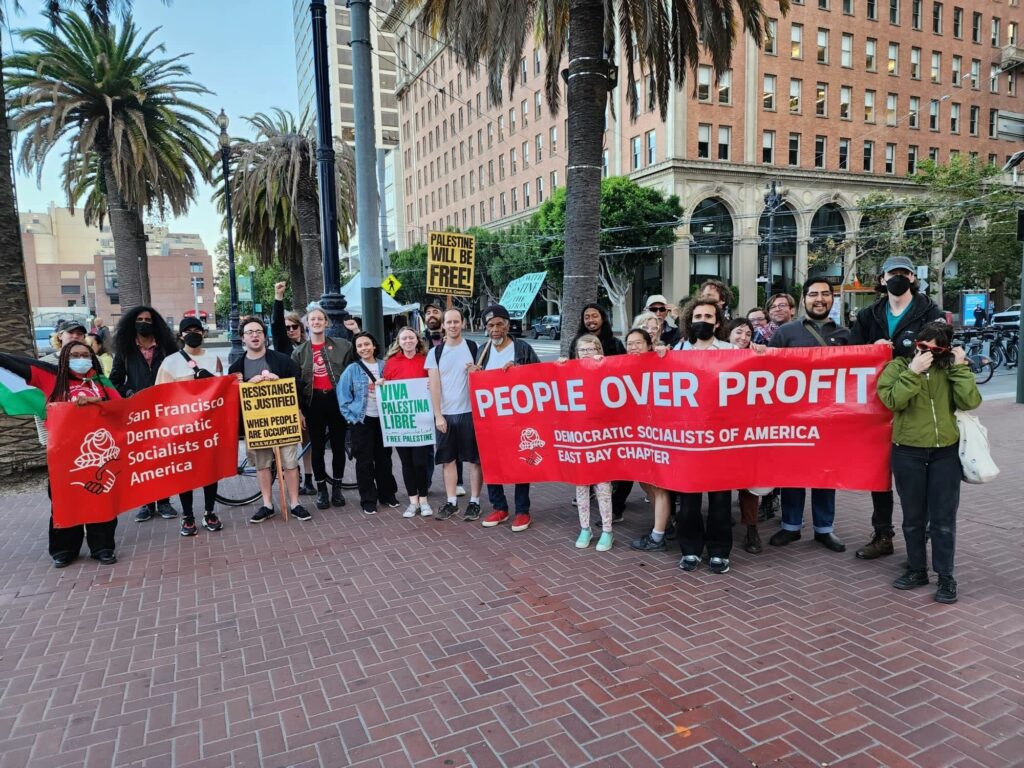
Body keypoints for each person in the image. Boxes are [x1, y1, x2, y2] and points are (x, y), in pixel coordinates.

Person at [878, 322, 981, 604]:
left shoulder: (948, 368)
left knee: (943, 519)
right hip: (908, 452)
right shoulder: (898, 367)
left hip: (945, 453)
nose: (929, 353)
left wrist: (960, 368)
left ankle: (946, 576)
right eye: (923, 347)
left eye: (937, 349)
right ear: (915, 343)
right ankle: (916, 570)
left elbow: (970, 401)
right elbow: (891, 401)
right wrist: (913, 372)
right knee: (913, 518)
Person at [850, 255, 945, 561]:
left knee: (914, 472)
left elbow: (941, 349)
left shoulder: (929, 311)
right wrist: (871, 349)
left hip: (917, 401)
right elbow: (852, 354)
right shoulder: (869, 315)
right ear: (882, 279)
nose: (898, 278)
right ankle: (882, 534)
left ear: (913, 278)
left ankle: (922, 530)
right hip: (878, 402)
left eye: (904, 273)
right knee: (880, 471)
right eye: (893, 273)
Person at [0, 342, 121, 567]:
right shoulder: (49, 378)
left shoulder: (101, 383)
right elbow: (14, 365)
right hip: (63, 455)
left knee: (100, 498)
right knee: (64, 501)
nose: (81, 359)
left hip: (98, 455)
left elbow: (121, 408)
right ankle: (64, 549)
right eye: (74, 355)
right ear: (64, 358)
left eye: (85, 355)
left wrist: (98, 401)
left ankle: (103, 547)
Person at [767, 280, 850, 553]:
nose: (819, 299)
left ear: (832, 299)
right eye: (813, 294)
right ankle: (791, 526)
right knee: (793, 472)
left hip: (831, 419)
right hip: (794, 419)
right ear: (804, 299)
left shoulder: (847, 334)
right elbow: (769, 371)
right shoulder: (786, 332)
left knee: (826, 474)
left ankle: (824, 529)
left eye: (825, 294)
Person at [668, 299, 736, 574]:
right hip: (688, 439)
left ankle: (719, 551)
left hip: (721, 439)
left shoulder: (732, 352)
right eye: (698, 315)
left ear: (718, 322)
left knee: (720, 499)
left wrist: (759, 351)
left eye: (709, 316)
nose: (703, 320)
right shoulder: (677, 352)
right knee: (689, 500)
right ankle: (691, 549)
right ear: (689, 320)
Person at [228, 316, 311, 523]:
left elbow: (299, 384)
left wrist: (281, 382)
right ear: (243, 338)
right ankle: (267, 504)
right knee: (262, 465)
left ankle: (295, 503)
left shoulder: (282, 360)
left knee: (290, 463)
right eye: (250, 333)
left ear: (265, 336)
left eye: (258, 332)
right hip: (257, 426)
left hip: (284, 422)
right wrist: (247, 384)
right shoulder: (236, 368)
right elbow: (232, 399)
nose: (254, 335)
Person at [472, 304, 541, 532]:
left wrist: (519, 369)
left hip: (519, 419)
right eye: (490, 325)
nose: (495, 329)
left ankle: (522, 511)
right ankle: (499, 507)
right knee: (492, 462)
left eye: (499, 324)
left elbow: (540, 378)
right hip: (490, 420)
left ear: (507, 325)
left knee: (522, 460)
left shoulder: (522, 348)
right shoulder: (481, 351)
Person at [155, 317, 225, 537]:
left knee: (210, 471)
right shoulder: (170, 362)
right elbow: (160, 397)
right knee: (186, 473)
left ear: (203, 333)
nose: (193, 334)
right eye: (188, 330)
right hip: (182, 429)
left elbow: (222, 390)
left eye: (197, 330)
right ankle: (187, 516)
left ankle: (210, 511)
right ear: (180, 335)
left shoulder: (214, 359)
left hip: (208, 426)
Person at [110, 306, 179, 522]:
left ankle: (164, 501)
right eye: (139, 319)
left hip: (163, 411)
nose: (143, 323)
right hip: (137, 413)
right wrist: (129, 393)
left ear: (155, 323)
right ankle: (147, 504)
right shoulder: (125, 351)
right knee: (141, 459)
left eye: (148, 319)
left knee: (163, 457)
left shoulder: (167, 349)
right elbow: (115, 381)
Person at [292, 303, 354, 511]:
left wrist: (356, 331)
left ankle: (336, 488)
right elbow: (296, 384)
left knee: (338, 447)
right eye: (312, 319)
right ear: (307, 325)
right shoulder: (299, 352)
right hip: (313, 402)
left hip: (336, 400)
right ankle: (322, 490)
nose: (316, 322)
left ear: (326, 323)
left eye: (320, 319)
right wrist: (299, 410)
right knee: (317, 448)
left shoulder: (342, 345)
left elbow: (357, 363)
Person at [424, 308, 483, 521]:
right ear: (443, 325)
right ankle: (452, 502)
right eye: (449, 322)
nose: (452, 325)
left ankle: (475, 502)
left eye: (456, 321)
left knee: (475, 460)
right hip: (446, 415)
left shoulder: (473, 347)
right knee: (448, 460)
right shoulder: (435, 353)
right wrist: (438, 415)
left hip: (470, 412)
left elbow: (484, 378)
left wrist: (477, 372)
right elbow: (435, 385)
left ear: (463, 323)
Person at [624, 328, 674, 554]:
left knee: (659, 484)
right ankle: (666, 525)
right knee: (645, 482)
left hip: (659, 434)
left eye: (638, 343)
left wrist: (663, 353)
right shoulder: (622, 365)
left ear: (649, 345)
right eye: (629, 343)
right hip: (638, 435)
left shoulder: (660, 360)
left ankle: (658, 536)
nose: (633, 347)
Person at [338, 332, 399, 514]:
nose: (364, 348)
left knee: (384, 459)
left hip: (383, 419)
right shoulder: (352, 370)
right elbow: (343, 397)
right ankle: (368, 499)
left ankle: (387, 494)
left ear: (374, 346)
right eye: (360, 346)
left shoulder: (385, 366)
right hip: (362, 421)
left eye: (367, 344)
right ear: (356, 350)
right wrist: (352, 419)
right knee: (364, 461)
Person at [567, 334, 614, 552]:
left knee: (603, 487)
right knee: (581, 485)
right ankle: (584, 527)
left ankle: (607, 530)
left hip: (601, 439)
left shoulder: (608, 369)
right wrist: (560, 368)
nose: (586, 354)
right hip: (579, 438)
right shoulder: (570, 371)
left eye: (590, 349)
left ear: (599, 350)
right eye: (582, 350)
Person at [383, 326, 434, 518]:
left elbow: (436, 382)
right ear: (399, 341)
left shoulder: (426, 360)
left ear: (417, 339)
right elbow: (386, 388)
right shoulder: (391, 363)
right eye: (403, 338)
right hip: (401, 423)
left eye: (410, 338)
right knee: (406, 463)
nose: (407, 341)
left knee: (421, 462)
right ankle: (413, 502)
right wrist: (381, 384)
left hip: (422, 421)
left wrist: (432, 383)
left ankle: (424, 500)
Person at [271, 281, 315, 495]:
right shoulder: (283, 346)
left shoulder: (309, 345)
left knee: (308, 441)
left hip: (308, 398)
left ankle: (308, 479)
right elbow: (276, 326)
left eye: (293, 327)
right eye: (286, 327)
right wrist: (278, 297)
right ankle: (292, 477)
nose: (289, 330)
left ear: (301, 327)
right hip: (288, 400)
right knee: (287, 441)